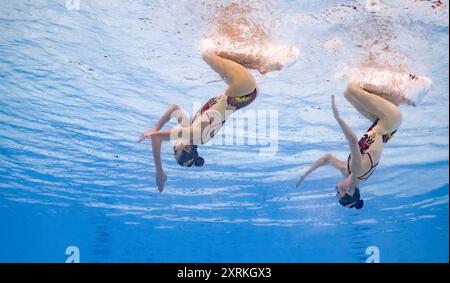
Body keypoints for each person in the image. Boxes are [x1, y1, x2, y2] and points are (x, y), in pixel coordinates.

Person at [296, 71, 431, 209]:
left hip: (381, 124)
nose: (335, 188)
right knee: (351, 88)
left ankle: (403, 98)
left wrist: (307, 172)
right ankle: (403, 86)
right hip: (389, 120)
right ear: (349, 191)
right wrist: (338, 118)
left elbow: (328, 158)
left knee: (348, 94)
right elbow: (353, 141)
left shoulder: (348, 172)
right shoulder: (357, 170)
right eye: (338, 192)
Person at [137, 51, 259, 192]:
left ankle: (261, 66)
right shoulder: (195, 135)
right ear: (187, 148)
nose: (174, 146)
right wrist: (159, 171)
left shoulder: (196, 134)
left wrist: (157, 127)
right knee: (207, 53)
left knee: (222, 56)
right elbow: (157, 137)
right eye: (175, 151)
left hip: (245, 93)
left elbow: (174, 109)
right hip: (241, 88)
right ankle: (261, 62)